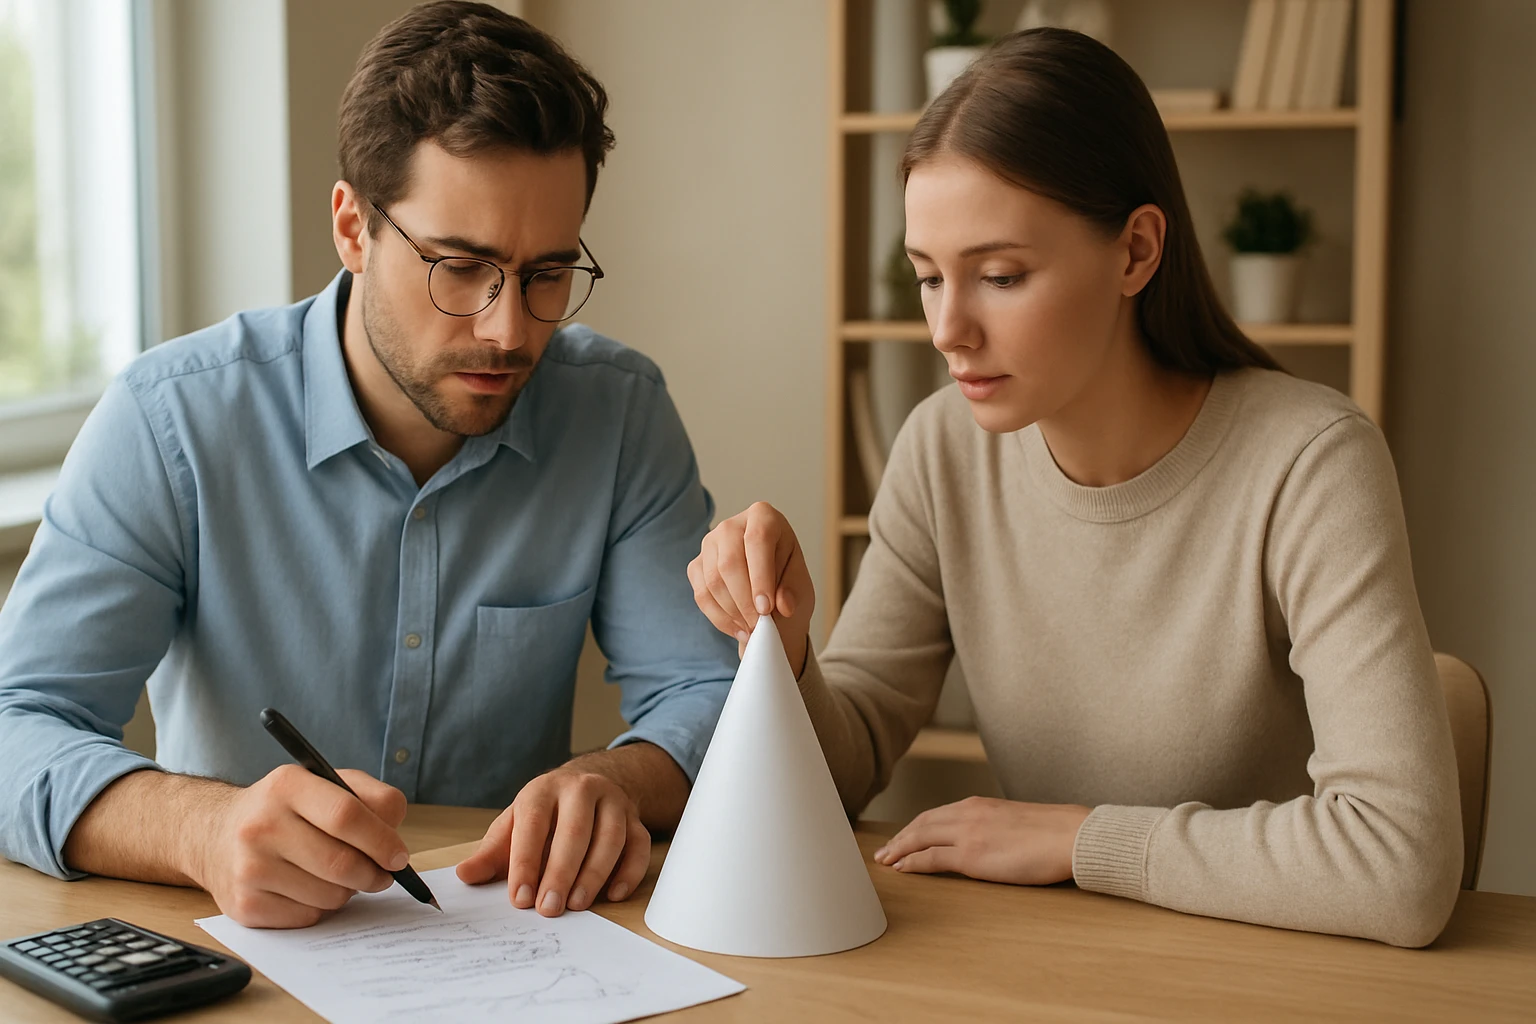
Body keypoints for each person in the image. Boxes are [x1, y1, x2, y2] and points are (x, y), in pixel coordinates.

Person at [692, 29, 1462, 948]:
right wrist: (784, 650)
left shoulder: (1310, 464)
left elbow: (1400, 864)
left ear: (1136, 251)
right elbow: (840, 768)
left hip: (1270, 973)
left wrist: (1081, 839)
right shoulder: (942, 450)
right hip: (1055, 962)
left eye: (1001, 276)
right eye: (929, 278)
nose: (948, 330)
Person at [0, 1, 737, 928]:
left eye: (548, 273)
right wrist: (204, 831)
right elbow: (15, 724)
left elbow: (706, 693)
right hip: (252, 958)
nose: (509, 329)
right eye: (459, 267)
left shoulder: (617, 411)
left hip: (511, 954)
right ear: (353, 229)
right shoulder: (170, 420)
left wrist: (614, 779)